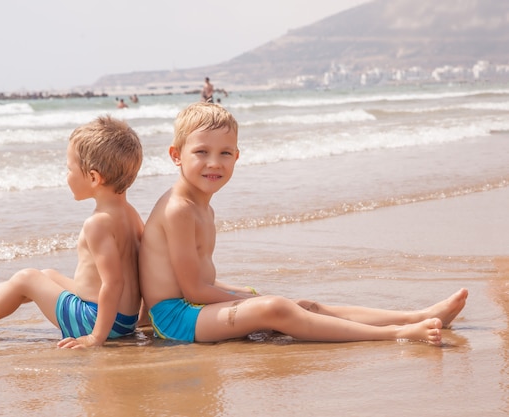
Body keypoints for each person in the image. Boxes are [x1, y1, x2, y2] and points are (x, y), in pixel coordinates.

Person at [138, 102, 468, 346]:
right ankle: (397, 333)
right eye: (202, 152)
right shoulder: (179, 209)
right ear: (176, 155)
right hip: (176, 319)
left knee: (303, 306)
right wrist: (258, 300)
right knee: (278, 308)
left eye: (225, 153)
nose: (215, 162)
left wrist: (251, 295)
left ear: (237, 156)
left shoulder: (201, 205)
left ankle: (417, 316)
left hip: (196, 306)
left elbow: (199, 281)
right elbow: (192, 289)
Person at [0, 116, 145, 349]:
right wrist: (138, 320)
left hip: (97, 322)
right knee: (48, 275)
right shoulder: (130, 214)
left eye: (69, 169)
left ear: (93, 177)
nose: (67, 176)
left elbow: (113, 283)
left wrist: (96, 337)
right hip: (123, 320)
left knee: (27, 278)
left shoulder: (98, 224)